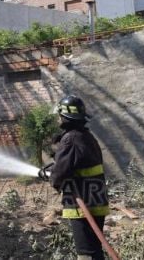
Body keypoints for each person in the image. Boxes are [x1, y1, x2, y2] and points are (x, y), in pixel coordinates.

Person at [48, 95, 110, 260]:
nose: (58, 118)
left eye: (59, 115)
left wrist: (53, 179)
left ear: (65, 116)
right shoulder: (86, 136)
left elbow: (60, 172)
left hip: (82, 204)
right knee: (94, 249)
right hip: (96, 200)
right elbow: (74, 164)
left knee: (86, 254)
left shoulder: (71, 138)